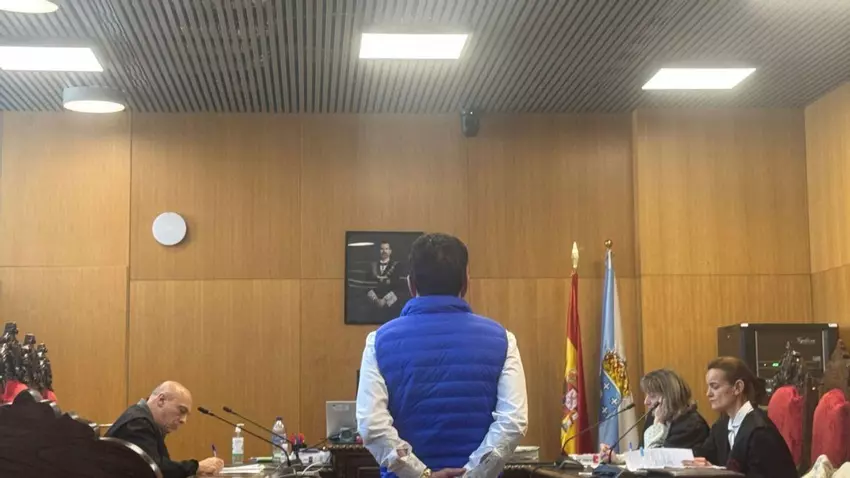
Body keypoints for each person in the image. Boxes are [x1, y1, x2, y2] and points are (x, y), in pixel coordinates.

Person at [356, 233, 528, 478]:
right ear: (465, 282)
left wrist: (422, 474)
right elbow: (513, 422)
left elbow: (371, 426)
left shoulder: (378, 342)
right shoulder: (503, 340)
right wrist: (472, 474)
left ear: (411, 284)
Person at [685, 357, 797, 478]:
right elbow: (703, 455)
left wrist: (715, 471)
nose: (708, 394)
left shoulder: (760, 432)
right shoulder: (720, 427)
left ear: (738, 387)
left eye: (715, 387)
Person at [105, 381, 224, 478]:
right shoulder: (138, 423)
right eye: (181, 411)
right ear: (161, 400)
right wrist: (196, 467)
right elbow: (154, 469)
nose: (183, 420)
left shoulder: (143, 419)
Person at [601, 369, 709, 463]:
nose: (646, 402)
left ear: (669, 398)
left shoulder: (691, 425)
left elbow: (656, 461)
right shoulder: (655, 417)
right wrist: (617, 458)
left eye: (652, 396)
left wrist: (658, 425)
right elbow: (642, 453)